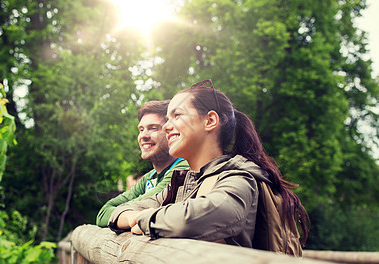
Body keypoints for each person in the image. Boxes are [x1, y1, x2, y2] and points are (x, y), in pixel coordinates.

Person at [108, 80, 310, 248]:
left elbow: (208, 215)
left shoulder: (238, 177)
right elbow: (117, 212)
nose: (167, 127)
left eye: (177, 115)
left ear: (210, 121)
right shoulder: (182, 184)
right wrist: (140, 217)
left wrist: (144, 220)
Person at [95, 100, 189, 227]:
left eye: (153, 128)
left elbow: (141, 205)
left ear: (170, 131)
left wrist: (122, 215)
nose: (143, 136)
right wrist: (131, 216)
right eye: (141, 129)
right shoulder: (149, 178)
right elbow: (103, 214)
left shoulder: (183, 167)